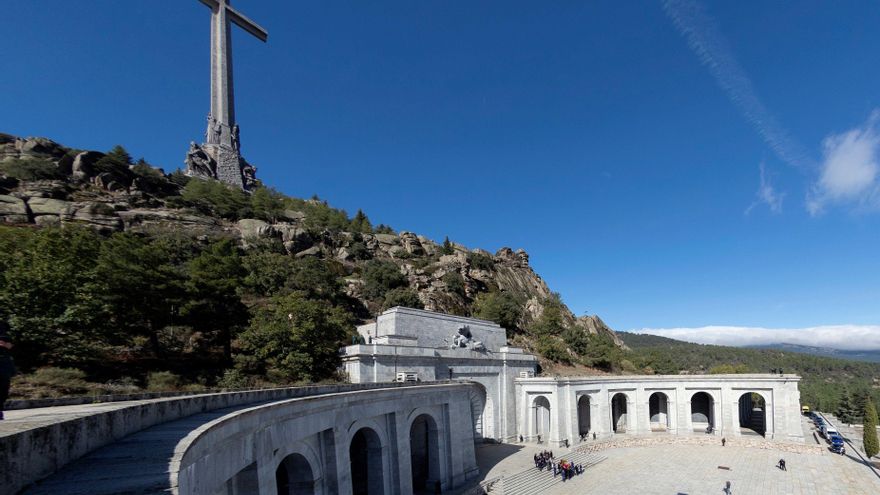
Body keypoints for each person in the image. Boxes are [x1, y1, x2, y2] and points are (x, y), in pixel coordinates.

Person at [0, 321, 15, 421]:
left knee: (3, 389)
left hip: (4, 366)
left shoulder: (6, 337)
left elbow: (10, 346)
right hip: (5, 366)